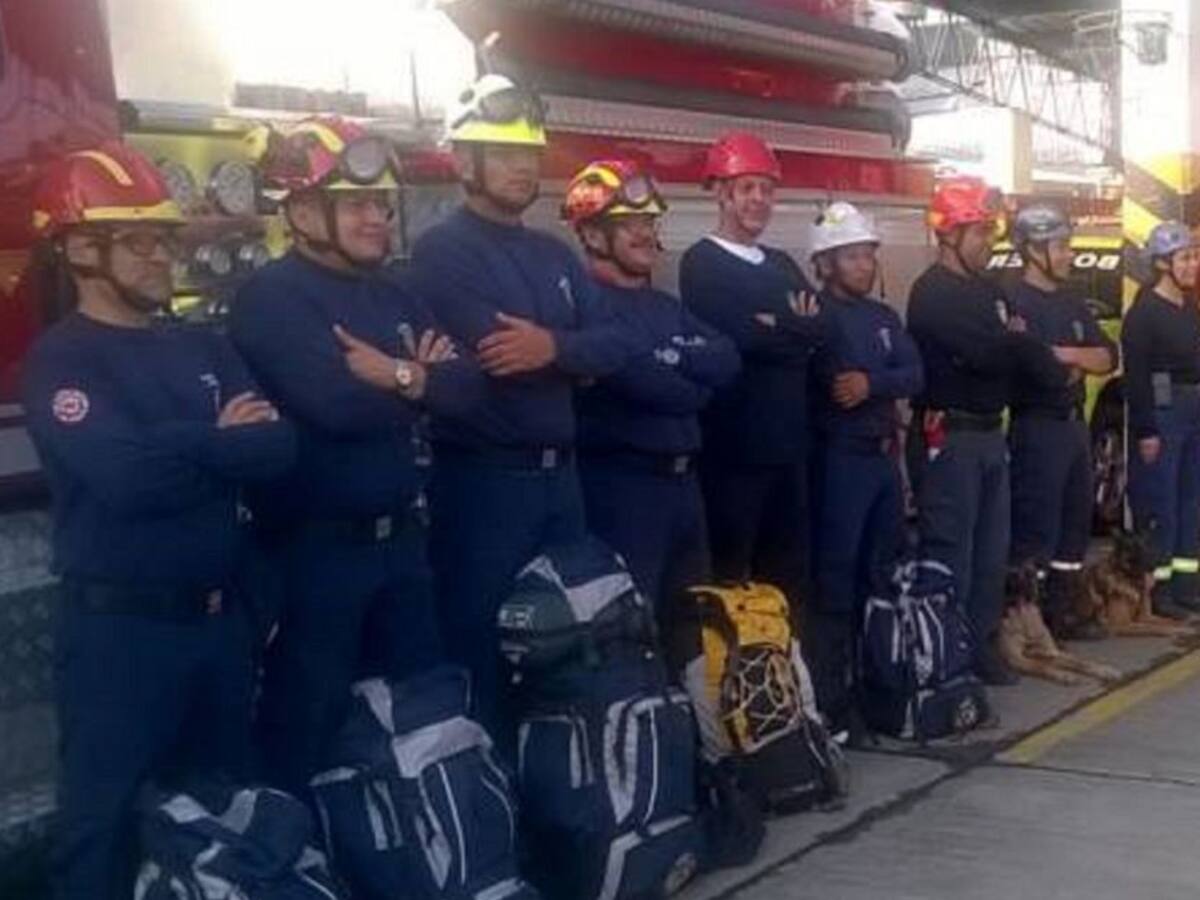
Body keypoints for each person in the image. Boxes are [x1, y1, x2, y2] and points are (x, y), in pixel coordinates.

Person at [21, 142, 296, 900]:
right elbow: (126, 479)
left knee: (223, 817)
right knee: (99, 830)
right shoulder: (61, 362)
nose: (159, 258)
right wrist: (218, 441)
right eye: (137, 241)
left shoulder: (202, 342)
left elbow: (278, 448)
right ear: (79, 248)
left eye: (165, 240)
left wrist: (182, 447)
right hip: (120, 642)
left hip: (218, 628)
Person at [229, 116, 484, 795]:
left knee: (422, 720)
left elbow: (468, 390)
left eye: (382, 204)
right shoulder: (270, 300)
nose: (378, 218)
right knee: (304, 731)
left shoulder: (396, 291)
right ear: (305, 210)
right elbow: (333, 405)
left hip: (403, 549)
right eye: (358, 204)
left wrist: (400, 377)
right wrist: (421, 381)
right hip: (313, 560)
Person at [407, 75, 633, 734]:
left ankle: (564, 793)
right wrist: (570, 353)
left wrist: (552, 348)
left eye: (530, 155)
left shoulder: (553, 251)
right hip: (483, 486)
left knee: (571, 636)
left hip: (562, 482)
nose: (520, 167)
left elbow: (616, 344)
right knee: (485, 648)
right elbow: (494, 354)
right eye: (503, 154)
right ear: (465, 160)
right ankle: (497, 810)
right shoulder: (442, 252)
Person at [563, 158, 739, 629]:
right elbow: (666, 392)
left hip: (684, 491)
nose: (645, 233)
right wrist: (686, 368)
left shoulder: (664, 306)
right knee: (633, 632)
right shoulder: (587, 310)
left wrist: (672, 357)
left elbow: (727, 360)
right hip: (623, 492)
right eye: (629, 224)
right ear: (594, 235)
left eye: (648, 221)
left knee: (696, 631)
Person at [907, 176, 1065, 685]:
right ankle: (946, 657)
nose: (988, 242)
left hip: (990, 435)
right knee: (952, 552)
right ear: (948, 235)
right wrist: (1015, 345)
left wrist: (1018, 347)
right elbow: (992, 352)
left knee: (990, 553)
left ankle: (979, 648)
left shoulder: (988, 288)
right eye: (978, 232)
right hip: (950, 438)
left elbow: (1020, 349)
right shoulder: (932, 294)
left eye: (989, 231)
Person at [678, 131, 823, 611]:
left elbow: (823, 327)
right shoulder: (701, 262)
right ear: (721, 192)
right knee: (730, 581)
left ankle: (785, 678)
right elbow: (739, 337)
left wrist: (778, 325)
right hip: (734, 456)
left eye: (766, 188)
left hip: (789, 452)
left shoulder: (781, 262)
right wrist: (790, 325)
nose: (759, 200)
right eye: (747, 188)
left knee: (788, 582)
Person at [808, 202, 923, 733]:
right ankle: (835, 701)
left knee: (883, 576)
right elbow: (836, 386)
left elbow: (913, 374)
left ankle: (882, 685)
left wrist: (872, 383)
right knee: (836, 582)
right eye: (851, 256)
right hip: (841, 464)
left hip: (883, 463)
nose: (863, 266)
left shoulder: (883, 318)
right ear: (826, 263)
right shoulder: (819, 317)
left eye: (867, 255)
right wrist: (881, 380)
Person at [1006, 204, 1116, 638]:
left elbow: (1108, 357)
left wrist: (1067, 354)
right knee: (1037, 526)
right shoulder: (1013, 301)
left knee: (1075, 522)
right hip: (1037, 427)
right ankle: (1028, 620)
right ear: (1034, 250)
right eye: (1061, 246)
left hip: (1072, 426)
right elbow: (1033, 368)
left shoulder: (1071, 302)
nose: (1069, 254)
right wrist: (1066, 362)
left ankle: (1064, 608)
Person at [1122, 220, 1200, 618]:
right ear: (1163, 264)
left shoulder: (1188, 307)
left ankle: (1187, 583)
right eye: (1185, 258)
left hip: (1194, 408)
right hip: (1164, 412)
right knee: (1162, 502)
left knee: (1191, 500)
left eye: (1194, 257)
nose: (1193, 265)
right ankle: (1159, 589)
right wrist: (1147, 429)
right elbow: (1137, 377)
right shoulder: (1144, 313)